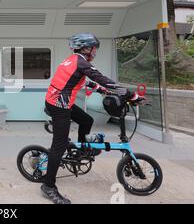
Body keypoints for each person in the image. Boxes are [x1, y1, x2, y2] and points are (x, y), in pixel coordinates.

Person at [41, 33, 137, 204]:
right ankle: (48, 187)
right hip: (59, 106)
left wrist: (102, 90)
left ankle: (80, 151)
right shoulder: (81, 62)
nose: (95, 52)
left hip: (61, 102)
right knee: (59, 145)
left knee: (87, 120)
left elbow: (82, 81)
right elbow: (101, 78)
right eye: (94, 48)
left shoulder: (72, 60)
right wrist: (131, 94)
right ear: (86, 48)